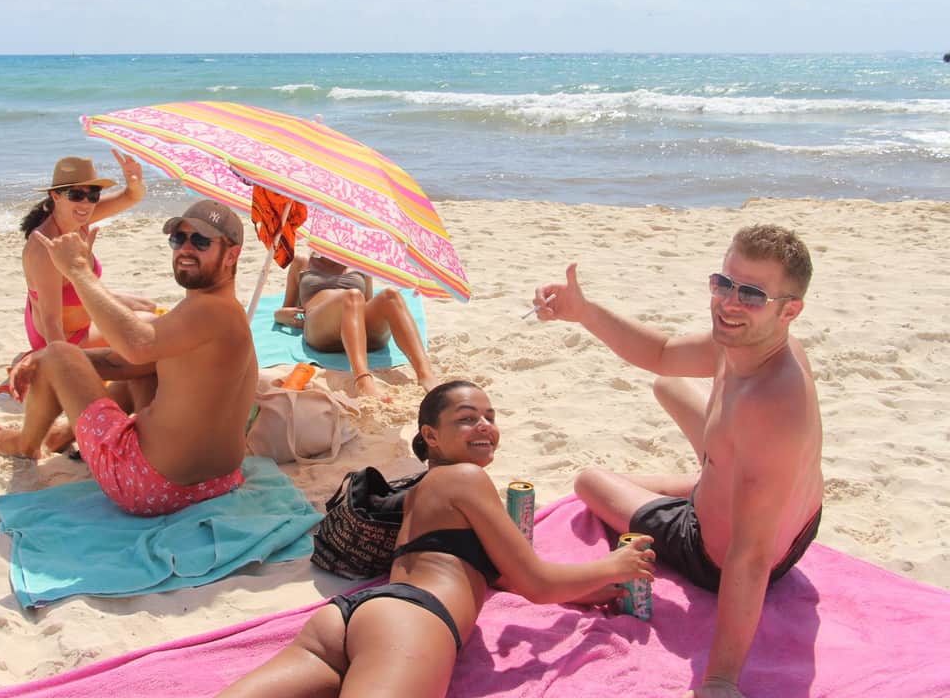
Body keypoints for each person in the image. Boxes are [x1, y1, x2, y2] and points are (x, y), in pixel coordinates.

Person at [217, 380, 656, 697]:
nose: (484, 425)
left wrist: (585, 590)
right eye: (466, 419)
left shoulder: (424, 491)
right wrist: (615, 564)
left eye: (490, 416)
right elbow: (537, 583)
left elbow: (501, 575)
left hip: (349, 621)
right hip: (411, 623)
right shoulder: (465, 478)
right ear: (431, 436)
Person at [530, 224, 823, 698]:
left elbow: (748, 558)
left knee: (590, 481)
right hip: (788, 508)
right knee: (669, 384)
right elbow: (662, 353)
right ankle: (709, 483)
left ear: (790, 309)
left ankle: (702, 488)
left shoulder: (772, 408)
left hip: (719, 552)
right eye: (724, 283)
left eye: (751, 294)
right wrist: (582, 312)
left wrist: (721, 680)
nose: (729, 303)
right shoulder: (755, 342)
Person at [0, 200, 258, 517]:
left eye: (201, 241)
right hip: (218, 483)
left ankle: (25, 445)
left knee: (60, 352)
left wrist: (77, 271)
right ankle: (62, 434)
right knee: (142, 367)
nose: (185, 249)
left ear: (232, 255)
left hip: (151, 486)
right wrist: (45, 359)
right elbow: (131, 360)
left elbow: (136, 345)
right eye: (178, 239)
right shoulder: (222, 312)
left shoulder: (210, 310)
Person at [18, 152, 157, 351]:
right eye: (76, 195)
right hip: (68, 338)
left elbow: (130, 196)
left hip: (80, 311)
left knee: (147, 306)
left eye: (93, 195)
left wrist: (135, 182)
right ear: (55, 196)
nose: (86, 203)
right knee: (150, 323)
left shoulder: (78, 217)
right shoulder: (47, 247)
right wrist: (62, 364)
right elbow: (51, 322)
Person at [274, 253, 436, 398]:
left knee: (390, 295)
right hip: (321, 327)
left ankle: (425, 374)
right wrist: (279, 315)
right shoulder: (302, 262)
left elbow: (368, 302)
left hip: (357, 327)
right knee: (352, 295)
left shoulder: (360, 261)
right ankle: (363, 380)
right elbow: (287, 306)